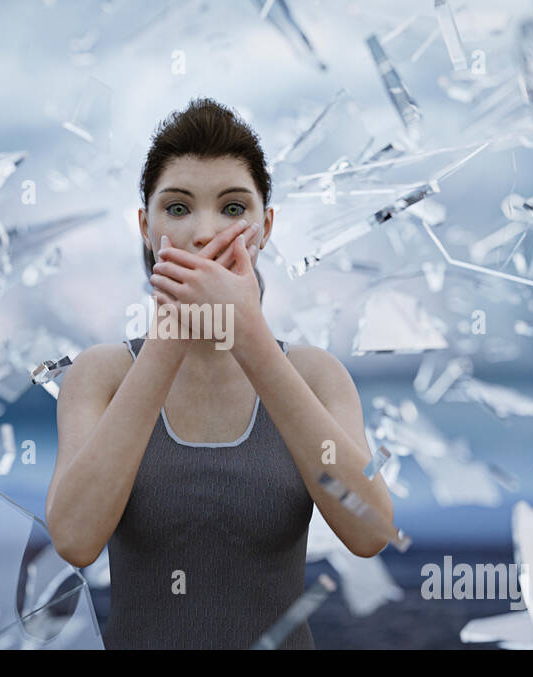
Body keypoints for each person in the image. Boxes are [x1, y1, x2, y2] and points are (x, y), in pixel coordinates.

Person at [45, 98, 393, 649]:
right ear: (145, 225)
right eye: (178, 209)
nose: (205, 232)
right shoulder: (102, 375)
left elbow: (371, 529)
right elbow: (75, 538)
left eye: (233, 208)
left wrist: (252, 341)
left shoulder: (317, 376)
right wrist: (169, 342)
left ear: (266, 226)